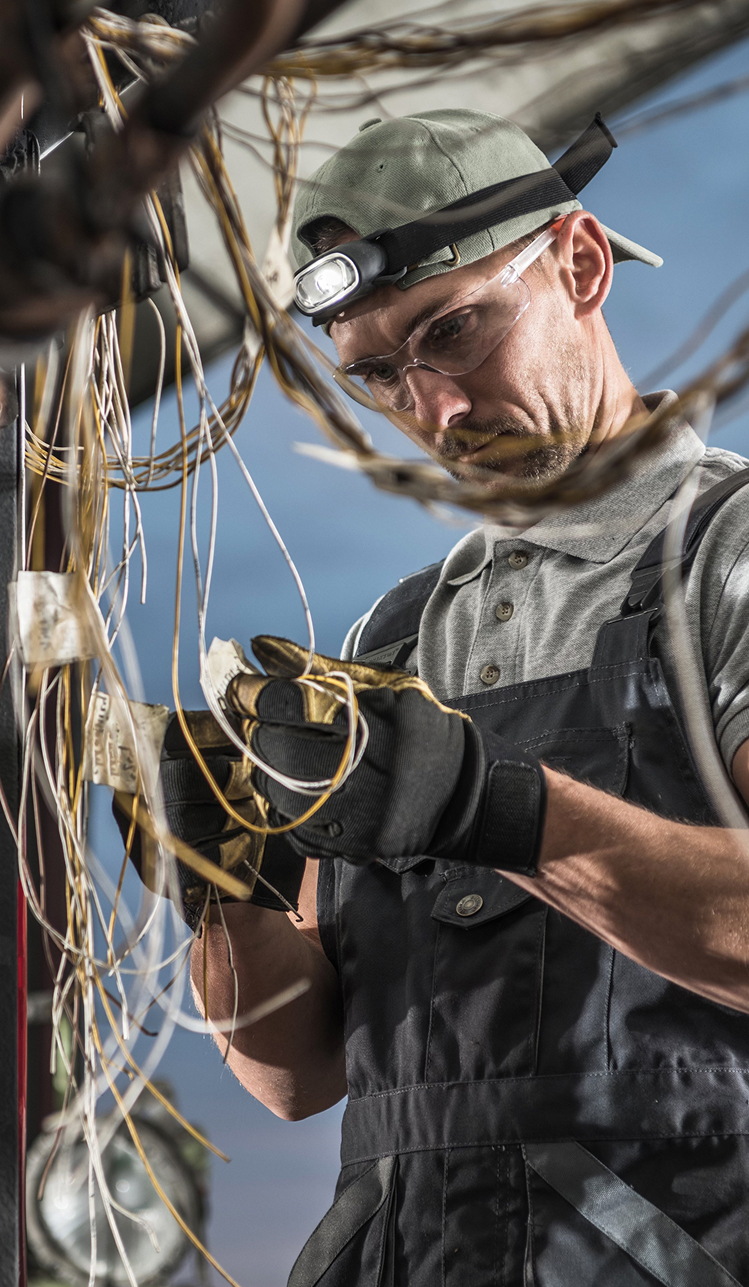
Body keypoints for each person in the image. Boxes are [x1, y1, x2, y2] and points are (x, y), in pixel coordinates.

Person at [144, 112, 749, 1285]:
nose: (436, 412)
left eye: (454, 333)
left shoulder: (723, 558)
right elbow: (297, 1075)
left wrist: (497, 808)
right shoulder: (391, 638)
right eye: (377, 373)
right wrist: (220, 882)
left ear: (576, 264)